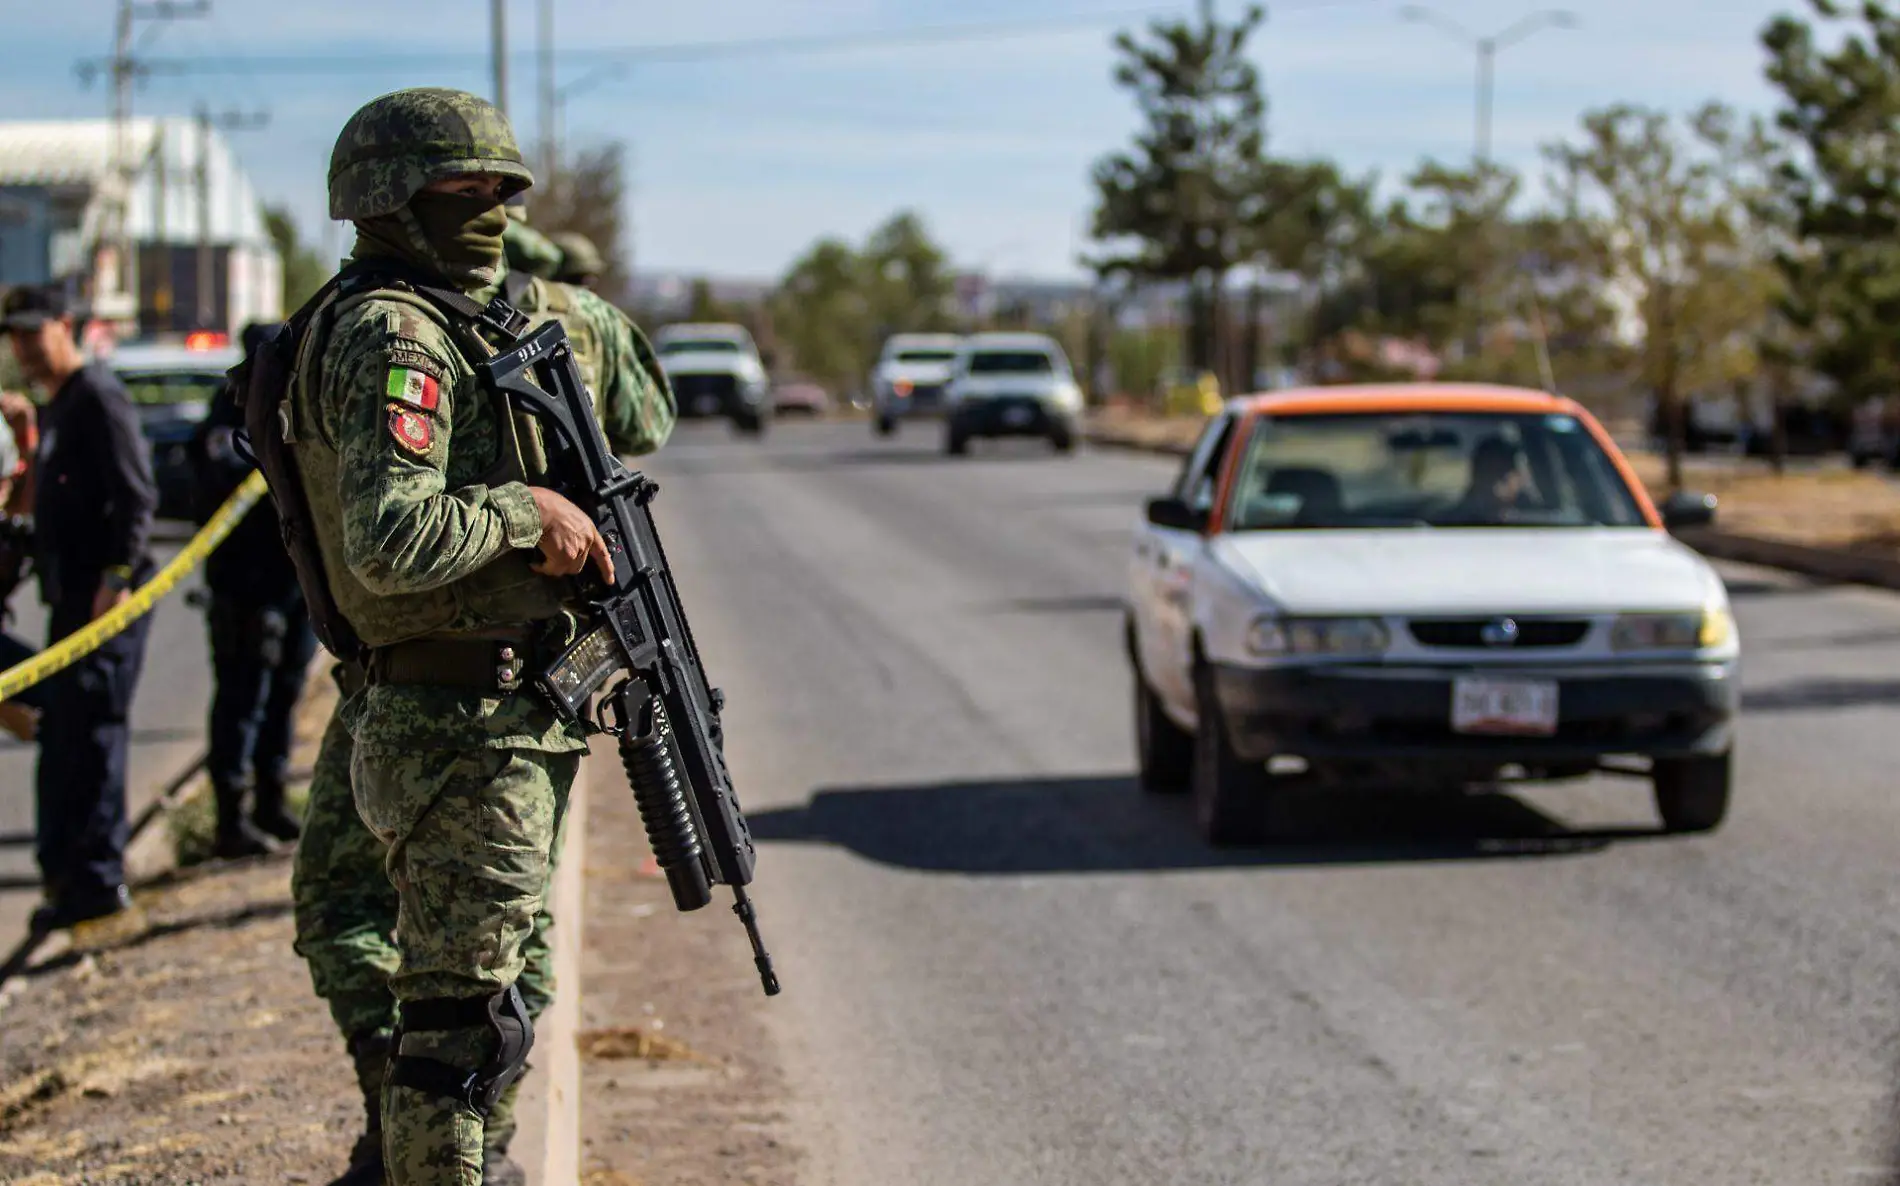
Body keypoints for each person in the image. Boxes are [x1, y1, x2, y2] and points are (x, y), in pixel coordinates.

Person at [280, 87, 674, 1186]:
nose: (490, 209)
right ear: (387, 199)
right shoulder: (391, 331)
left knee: (475, 997)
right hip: (432, 706)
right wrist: (524, 511)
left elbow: (646, 420)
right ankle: (439, 1145)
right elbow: (388, 536)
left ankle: (457, 1145)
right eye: (466, 189)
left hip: (487, 706)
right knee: (450, 1020)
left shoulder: (504, 317)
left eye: (504, 190)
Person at [1, 284, 157, 931]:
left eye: (35, 333)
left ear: (65, 327)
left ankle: (97, 881)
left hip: (103, 603)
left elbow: (136, 495)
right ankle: (70, 875)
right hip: (71, 598)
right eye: (15, 337)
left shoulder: (97, 395)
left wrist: (115, 580)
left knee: (93, 733)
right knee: (67, 734)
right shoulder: (58, 405)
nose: (25, 348)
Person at [188, 322, 320, 857]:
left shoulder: (289, 412)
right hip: (245, 589)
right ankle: (231, 819)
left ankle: (271, 801)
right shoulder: (227, 422)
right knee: (243, 700)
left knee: (284, 695)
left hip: (292, 586)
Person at [1445, 435, 1531, 524]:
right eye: (1515, 472)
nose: (1522, 479)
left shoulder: (1526, 510)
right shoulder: (1457, 523)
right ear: (1500, 480)